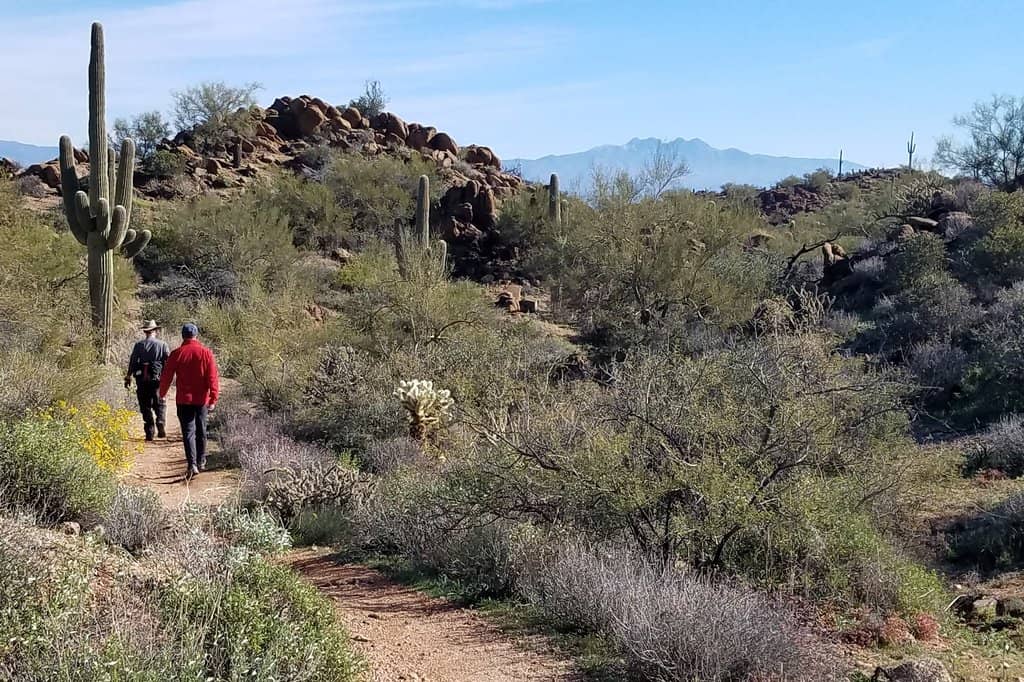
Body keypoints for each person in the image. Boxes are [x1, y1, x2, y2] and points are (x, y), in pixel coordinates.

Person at [158, 323, 220, 479]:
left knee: (188, 432)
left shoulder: (177, 353)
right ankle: (201, 461)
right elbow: (212, 378)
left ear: (182, 336)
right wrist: (213, 398)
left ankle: (192, 463)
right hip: (201, 400)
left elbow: (167, 376)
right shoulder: (206, 353)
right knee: (201, 430)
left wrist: (162, 393)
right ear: (196, 335)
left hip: (183, 400)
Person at [125, 320, 170, 441]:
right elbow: (168, 363)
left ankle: (149, 431)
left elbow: (133, 361)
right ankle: (160, 421)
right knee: (159, 402)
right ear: (155, 331)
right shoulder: (163, 345)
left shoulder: (139, 345)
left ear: (145, 331)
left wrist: (128, 376)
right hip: (157, 378)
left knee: (145, 405)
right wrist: (167, 378)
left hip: (142, 378)